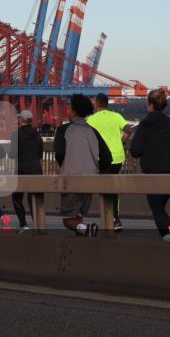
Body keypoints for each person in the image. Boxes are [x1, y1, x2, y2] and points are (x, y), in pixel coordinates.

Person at [130, 89, 170, 242]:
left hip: (152, 174)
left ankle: (167, 234)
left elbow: (135, 151)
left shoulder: (144, 125)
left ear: (150, 105)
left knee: (157, 207)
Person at [54, 94, 110, 237]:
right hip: (90, 180)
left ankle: (88, 229)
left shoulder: (63, 130)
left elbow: (59, 153)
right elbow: (107, 158)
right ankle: (82, 241)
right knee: (78, 217)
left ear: (73, 111)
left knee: (68, 220)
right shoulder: (93, 131)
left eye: (69, 108)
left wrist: (65, 165)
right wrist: (96, 169)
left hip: (71, 179)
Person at [86, 94, 132, 231]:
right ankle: (115, 218)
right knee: (113, 187)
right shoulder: (116, 116)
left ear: (96, 104)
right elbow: (128, 130)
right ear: (107, 104)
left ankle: (110, 218)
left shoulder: (91, 119)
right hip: (117, 156)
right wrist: (121, 141)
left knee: (104, 188)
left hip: (101, 158)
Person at [10, 109, 43, 232]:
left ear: (21, 120)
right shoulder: (38, 134)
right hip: (36, 170)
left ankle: (23, 224)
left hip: (21, 170)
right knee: (34, 197)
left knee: (17, 198)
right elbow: (40, 154)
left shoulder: (16, 134)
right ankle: (38, 224)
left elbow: (13, 154)